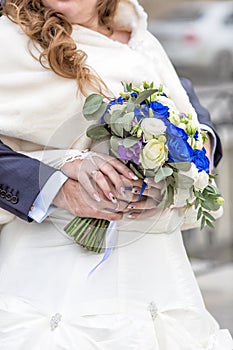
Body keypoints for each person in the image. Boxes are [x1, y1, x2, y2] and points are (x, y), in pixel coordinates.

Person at [0, 1, 232, 349]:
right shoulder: (9, 42)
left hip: (154, 270)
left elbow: (185, 106)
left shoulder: (139, 39)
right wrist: (57, 185)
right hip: (50, 264)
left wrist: (176, 173)